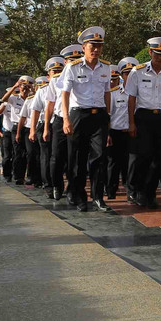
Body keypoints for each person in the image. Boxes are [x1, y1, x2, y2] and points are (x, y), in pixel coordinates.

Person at [59, 27, 113, 213]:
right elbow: (64, 95)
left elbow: (107, 93)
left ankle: (98, 197)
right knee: (77, 159)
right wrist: (66, 119)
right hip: (78, 115)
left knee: (99, 157)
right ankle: (79, 195)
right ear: (84, 47)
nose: (96, 49)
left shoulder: (106, 67)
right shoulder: (72, 68)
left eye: (99, 46)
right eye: (92, 46)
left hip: (99, 116)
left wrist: (108, 118)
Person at [126, 37, 161, 209]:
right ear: (150, 52)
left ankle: (150, 193)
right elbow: (131, 99)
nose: (160, 58)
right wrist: (132, 123)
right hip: (143, 118)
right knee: (144, 156)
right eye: (157, 54)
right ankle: (139, 191)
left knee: (160, 159)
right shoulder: (138, 72)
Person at [43, 45, 83, 201]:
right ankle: (57, 187)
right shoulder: (55, 80)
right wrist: (46, 127)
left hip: (77, 119)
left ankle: (72, 190)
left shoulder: (83, 76)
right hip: (60, 121)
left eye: (77, 60)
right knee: (56, 157)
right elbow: (50, 105)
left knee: (74, 158)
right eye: (71, 61)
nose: (74, 63)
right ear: (65, 62)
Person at [33, 57, 65, 198]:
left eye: (60, 70)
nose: (57, 72)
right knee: (47, 157)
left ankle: (61, 185)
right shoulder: (43, 90)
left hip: (62, 124)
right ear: (48, 74)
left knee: (61, 157)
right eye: (54, 71)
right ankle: (48, 185)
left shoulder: (67, 84)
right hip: (47, 126)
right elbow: (36, 110)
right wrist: (33, 129)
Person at [106, 57, 137, 200]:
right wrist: (107, 134)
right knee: (113, 163)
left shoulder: (140, 92)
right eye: (126, 73)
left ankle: (131, 191)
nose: (129, 76)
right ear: (121, 75)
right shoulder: (113, 93)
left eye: (132, 73)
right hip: (116, 132)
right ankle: (111, 190)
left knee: (132, 163)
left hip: (133, 132)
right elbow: (108, 115)